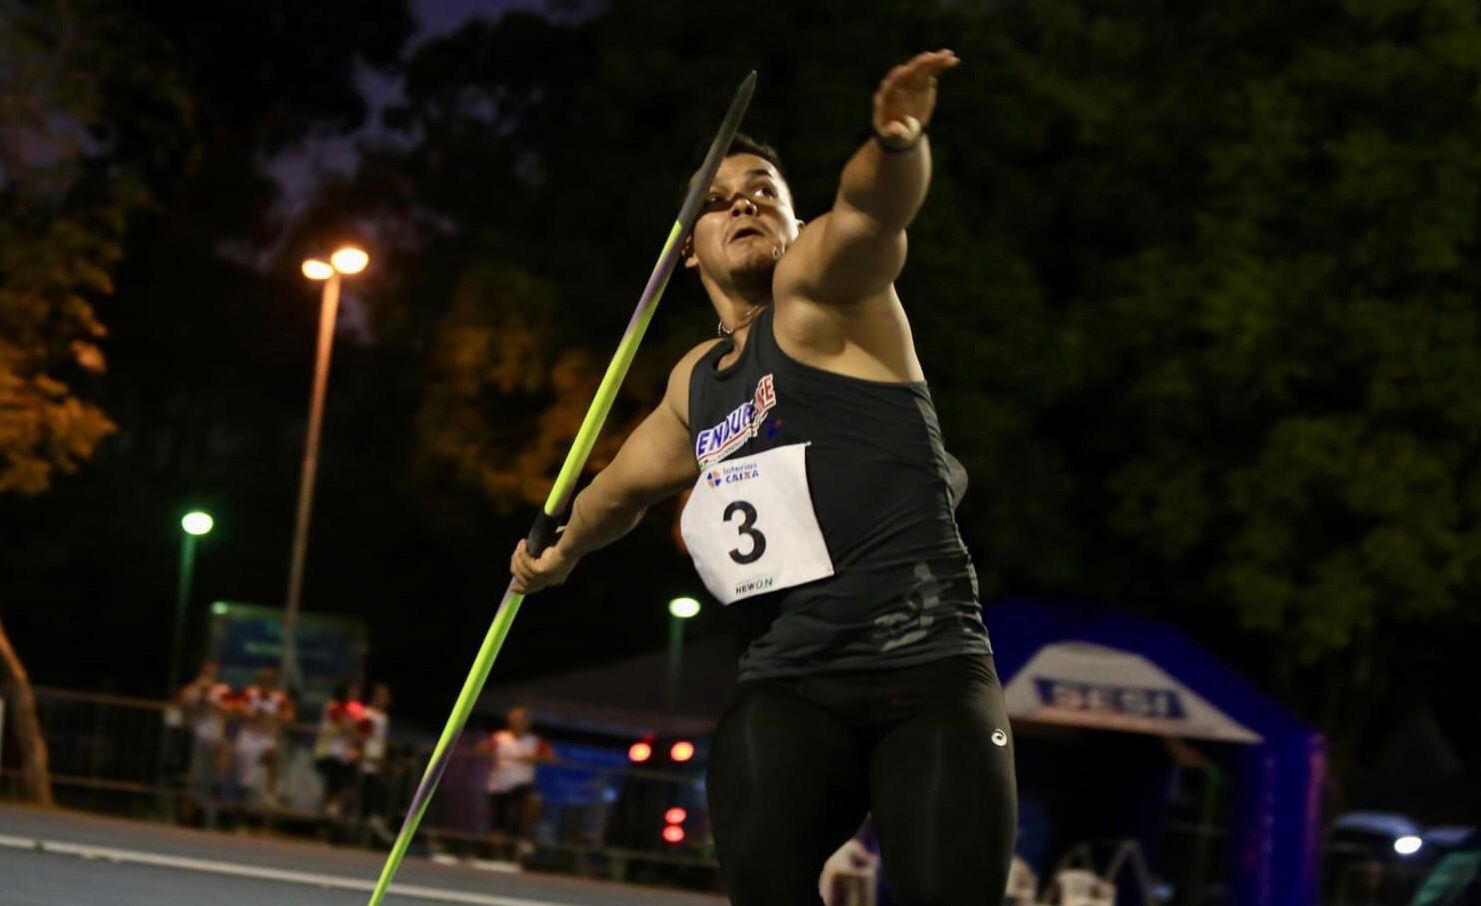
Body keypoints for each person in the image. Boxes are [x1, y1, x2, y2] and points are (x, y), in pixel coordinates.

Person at [511, 50, 1016, 904]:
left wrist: (896, 142)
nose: (739, 202)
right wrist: (559, 555)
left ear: (791, 221)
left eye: (761, 191)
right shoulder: (694, 382)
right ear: (683, 253)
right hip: (789, 680)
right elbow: (613, 494)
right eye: (713, 203)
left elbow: (870, 211)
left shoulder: (823, 295)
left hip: (928, 670)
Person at [476, 706, 553, 860]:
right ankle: (496, 856)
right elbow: (481, 750)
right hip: (499, 785)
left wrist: (533, 759)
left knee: (531, 802)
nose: (517, 723)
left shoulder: (534, 741)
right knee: (498, 821)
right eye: (514, 720)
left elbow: (550, 757)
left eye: (520, 720)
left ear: (527, 723)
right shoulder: (500, 737)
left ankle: (524, 840)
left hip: (522, 784)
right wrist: (489, 753)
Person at [176, 660, 231, 827]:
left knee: (213, 779)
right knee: (194, 779)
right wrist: (200, 692)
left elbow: (228, 710)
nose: (210, 674)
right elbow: (181, 703)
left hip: (214, 739)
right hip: (195, 739)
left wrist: (209, 698)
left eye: (213, 671)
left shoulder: (221, 690)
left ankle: (209, 819)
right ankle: (186, 817)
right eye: (207, 671)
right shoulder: (192, 689)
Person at [232, 666, 296, 807]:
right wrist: (254, 715)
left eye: (269, 680)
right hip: (248, 737)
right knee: (246, 777)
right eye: (263, 680)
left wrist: (274, 717)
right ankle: (244, 792)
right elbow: (238, 709)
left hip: (267, 738)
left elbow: (290, 717)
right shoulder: (250, 694)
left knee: (272, 757)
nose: (266, 683)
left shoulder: (279, 699)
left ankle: (269, 794)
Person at [313, 681, 364, 820]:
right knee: (335, 771)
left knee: (351, 773)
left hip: (345, 754)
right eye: (352, 692)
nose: (355, 695)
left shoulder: (356, 710)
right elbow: (345, 727)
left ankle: (337, 806)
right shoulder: (334, 706)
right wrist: (354, 730)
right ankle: (329, 806)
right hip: (328, 751)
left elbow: (360, 732)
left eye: (357, 693)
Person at [356, 683, 394, 843]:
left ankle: (375, 824)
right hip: (367, 760)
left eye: (386, 696)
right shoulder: (367, 714)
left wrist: (382, 759)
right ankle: (361, 830)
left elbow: (382, 741)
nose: (384, 699)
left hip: (377, 759)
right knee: (365, 796)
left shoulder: (384, 717)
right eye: (381, 696)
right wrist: (364, 756)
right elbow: (361, 737)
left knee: (379, 792)